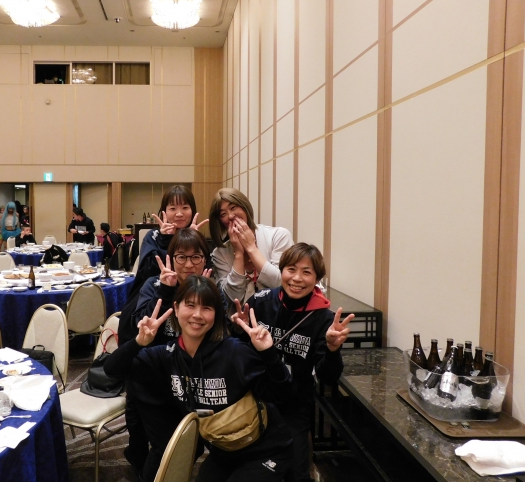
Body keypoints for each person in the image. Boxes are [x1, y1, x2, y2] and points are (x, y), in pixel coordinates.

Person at [106, 276, 294, 482]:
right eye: (190, 305)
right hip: (223, 453)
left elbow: (282, 395)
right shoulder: (167, 355)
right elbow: (112, 370)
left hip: (265, 451)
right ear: (176, 308)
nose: (197, 314)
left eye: (206, 308)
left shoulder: (233, 352)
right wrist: (139, 342)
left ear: (215, 315)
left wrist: (268, 353)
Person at [233, 243, 354, 482]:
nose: (297, 278)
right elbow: (240, 353)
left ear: (317, 279)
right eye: (291, 269)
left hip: (294, 404)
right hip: (254, 398)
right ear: (281, 271)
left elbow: (328, 377)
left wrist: (332, 349)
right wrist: (238, 329)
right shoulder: (261, 302)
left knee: (296, 472)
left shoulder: (323, 319)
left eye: (306, 272)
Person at [120, 229, 214, 474]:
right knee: (146, 442)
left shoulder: (210, 288)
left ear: (205, 259)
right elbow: (139, 326)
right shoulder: (154, 284)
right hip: (152, 378)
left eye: (196, 257)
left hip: (191, 380)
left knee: (189, 444)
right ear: (171, 258)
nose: (189, 264)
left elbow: (221, 334)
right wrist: (164, 289)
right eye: (181, 257)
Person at [209, 188, 293, 308]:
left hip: (279, 315)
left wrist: (251, 248)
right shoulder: (220, 253)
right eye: (223, 214)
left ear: (245, 206)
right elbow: (232, 297)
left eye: (233, 207)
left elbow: (281, 283)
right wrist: (238, 254)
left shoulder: (278, 236)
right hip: (239, 317)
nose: (231, 216)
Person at [130, 185, 208, 300]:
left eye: (185, 207)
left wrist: (192, 240)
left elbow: (206, 270)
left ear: (192, 210)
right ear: (164, 211)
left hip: (191, 296)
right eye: (173, 208)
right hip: (154, 294)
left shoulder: (197, 236)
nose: (179, 213)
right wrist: (165, 240)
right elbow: (146, 272)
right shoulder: (153, 236)